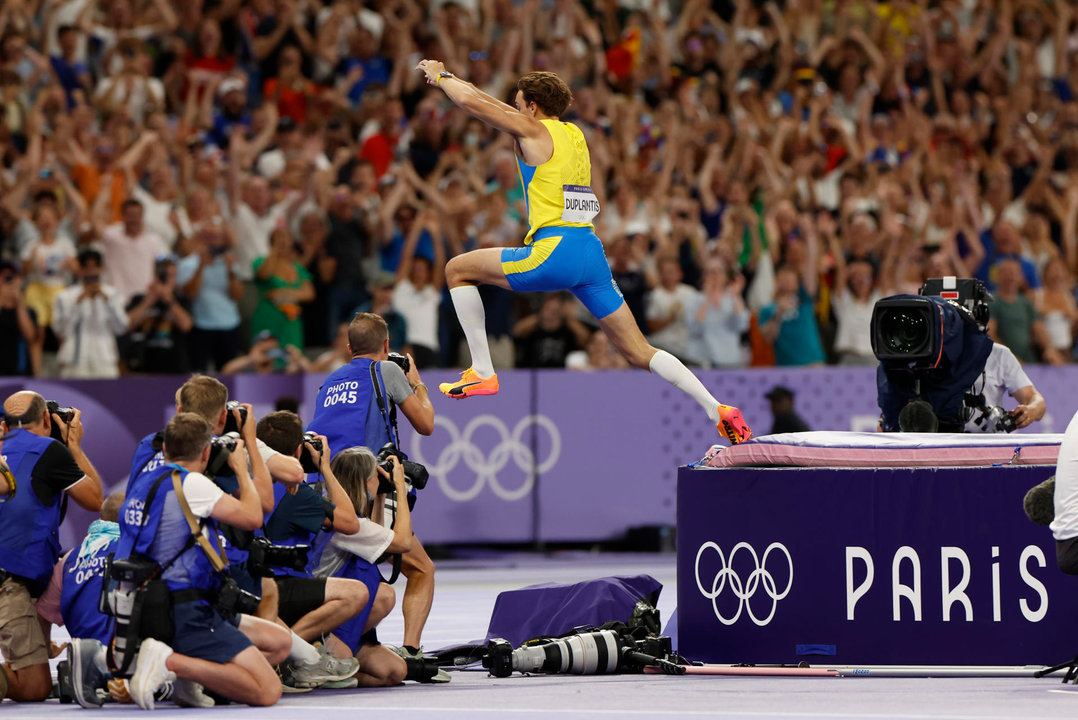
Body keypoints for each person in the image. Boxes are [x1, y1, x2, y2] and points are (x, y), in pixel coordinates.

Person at [413, 63, 750, 445]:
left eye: (519, 104)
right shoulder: (575, 135)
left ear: (534, 107)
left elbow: (475, 103)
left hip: (553, 250)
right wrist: (460, 79)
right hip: (589, 252)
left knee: (457, 269)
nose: (514, 109)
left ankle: (483, 370)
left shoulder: (534, 129)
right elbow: (484, 98)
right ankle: (717, 409)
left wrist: (441, 78)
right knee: (639, 351)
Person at [91, 413, 291, 709]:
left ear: (165, 449)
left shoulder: (144, 481)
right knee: (268, 691)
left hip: (150, 600)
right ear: (206, 452)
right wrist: (239, 468)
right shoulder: (191, 483)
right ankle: (172, 664)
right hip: (186, 608)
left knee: (280, 643)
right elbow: (253, 516)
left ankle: (186, 683)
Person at [306, 312, 443, 674]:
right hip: (365, 489)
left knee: (354, 570)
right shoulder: (387, 371)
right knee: (421, 569)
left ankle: (357, 646)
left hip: (326, 491)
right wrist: (418, 384)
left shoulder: (330, 380)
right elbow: (426, 424)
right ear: (386, 346)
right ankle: (408, 649)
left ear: (349, 348)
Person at [0, 391, 103, 703]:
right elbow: (95, 499)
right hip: (11, 581)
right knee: (34, 687)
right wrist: (74, 446)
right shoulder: (48, 449)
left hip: (19, 578)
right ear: (46, 419)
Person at [52, 248, 129, 378]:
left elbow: (121, 328)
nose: (91, 272)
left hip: (105, 361)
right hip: (74, 362)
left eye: (95, 267)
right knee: (71, 399)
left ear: (101, 269)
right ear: (81, 270)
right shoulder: (65, 296)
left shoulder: (112, 294)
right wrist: (79, 302)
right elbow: (61, 331)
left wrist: (107, 301)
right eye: (87, 267)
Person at [964, 341, 1047, 433]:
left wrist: (1031, 410)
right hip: (947, 440)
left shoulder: (1000, 354)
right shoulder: (945, 354)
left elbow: (1035, 400)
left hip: (991, 441)